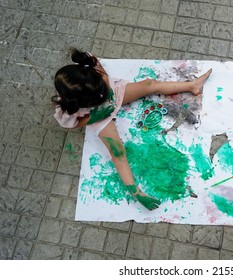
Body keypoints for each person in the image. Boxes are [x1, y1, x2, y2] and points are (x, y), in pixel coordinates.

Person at [52, 48, 212, 210]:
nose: (101, 95)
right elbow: (72, 124)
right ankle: (136, 192)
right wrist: (95, 117)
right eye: (97, 96)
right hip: (98, 116)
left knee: (150, 84)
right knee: (117, 151)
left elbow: (103, 76)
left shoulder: (90, 70)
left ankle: (192, 85)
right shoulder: (68, 109)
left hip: (114, 95)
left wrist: (108, 93)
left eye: (101, 88)